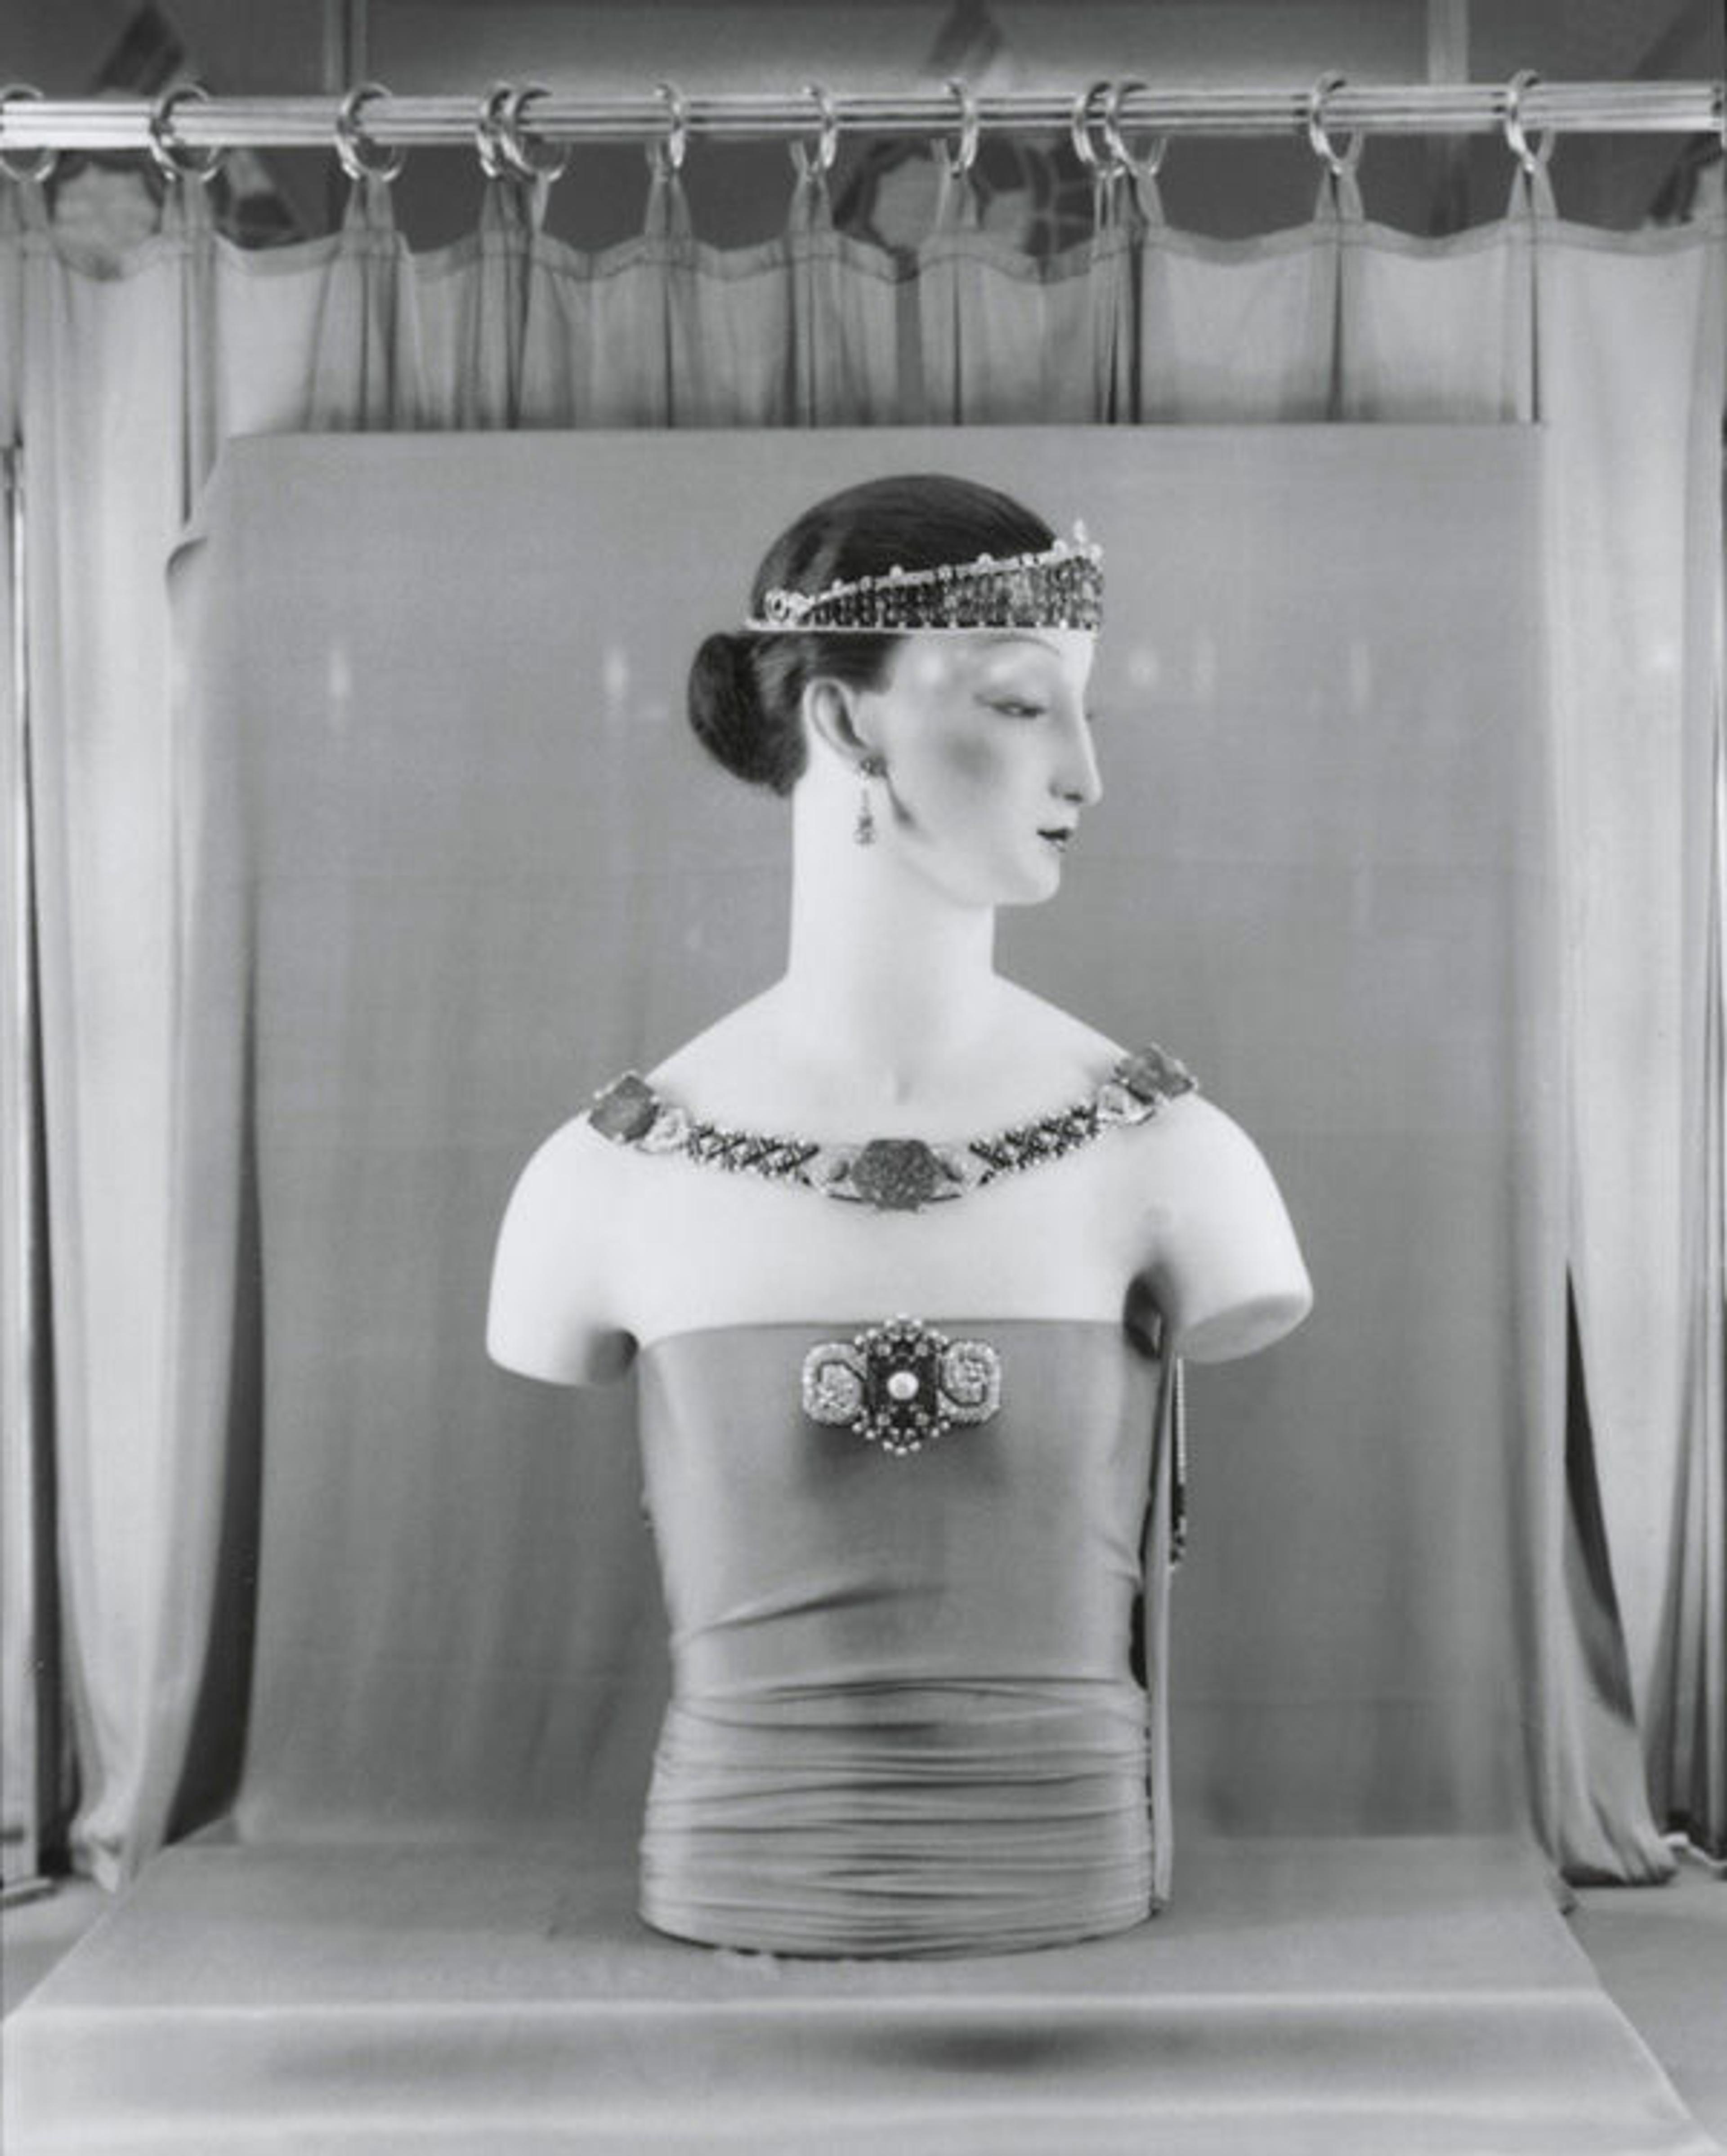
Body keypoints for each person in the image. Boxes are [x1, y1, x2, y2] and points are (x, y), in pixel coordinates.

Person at [485, 472, 1312, 1958]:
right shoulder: (601, 1177)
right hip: (738, 1869)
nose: (1085, 775)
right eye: (1021, 706)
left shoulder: (1180, 1161)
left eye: (1086, 715)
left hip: (1067, 1870)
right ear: (846, 721)